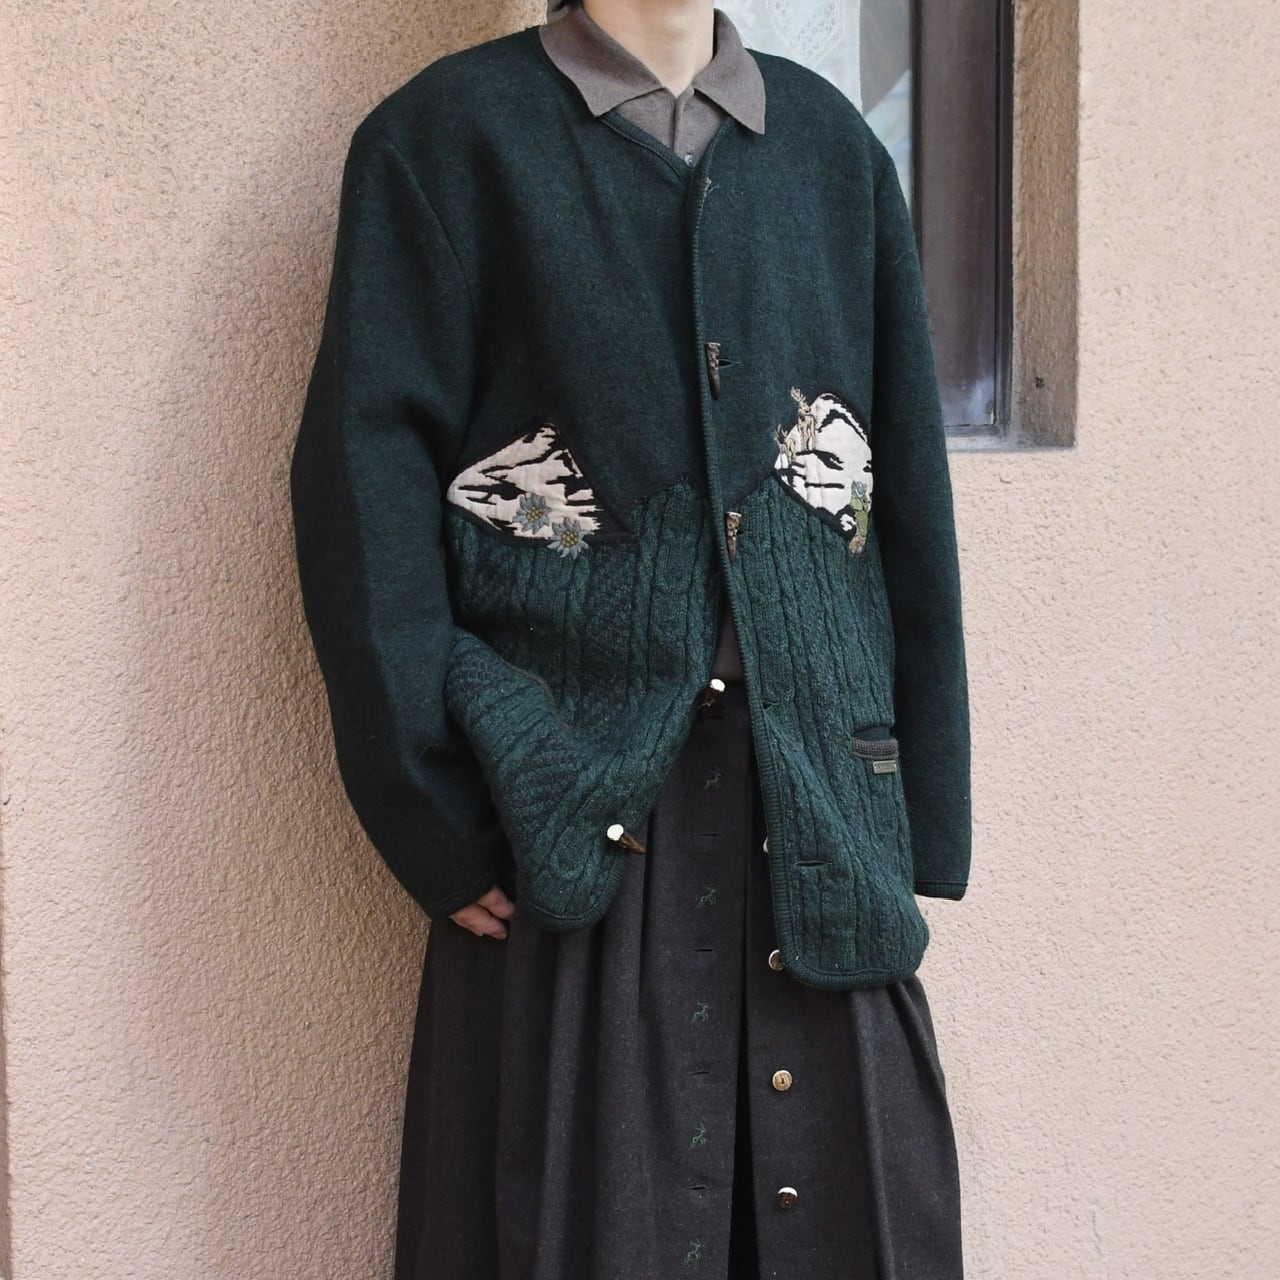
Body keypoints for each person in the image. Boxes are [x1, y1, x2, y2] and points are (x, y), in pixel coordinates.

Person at [289, 1, 973, 1276]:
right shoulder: (444, 144)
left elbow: (905, 507)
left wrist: (911, 809)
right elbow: (360, 495)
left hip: (815, 826)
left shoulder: (830, 151)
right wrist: (429, 811)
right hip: (574, 820)